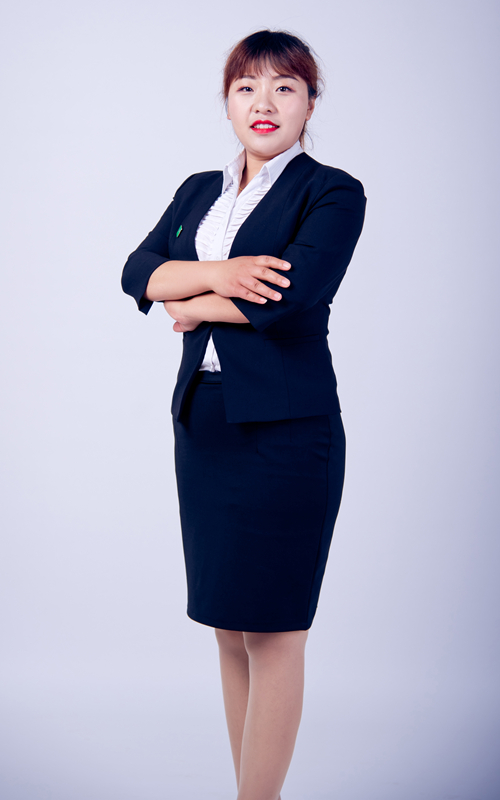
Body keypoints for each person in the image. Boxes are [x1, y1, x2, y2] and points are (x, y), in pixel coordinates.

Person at [122, 28, 366, 800]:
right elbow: (136, 272)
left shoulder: (331, 192)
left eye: (285, 87)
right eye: (247, 87)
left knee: (275, 630)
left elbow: (291, 298)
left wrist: (191, 296)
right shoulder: (200, 191)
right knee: (229, 628)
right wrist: (222, 275)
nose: (265, 101)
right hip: (206, 425)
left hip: (286, 432)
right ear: (227, 103)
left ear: (310, 103)